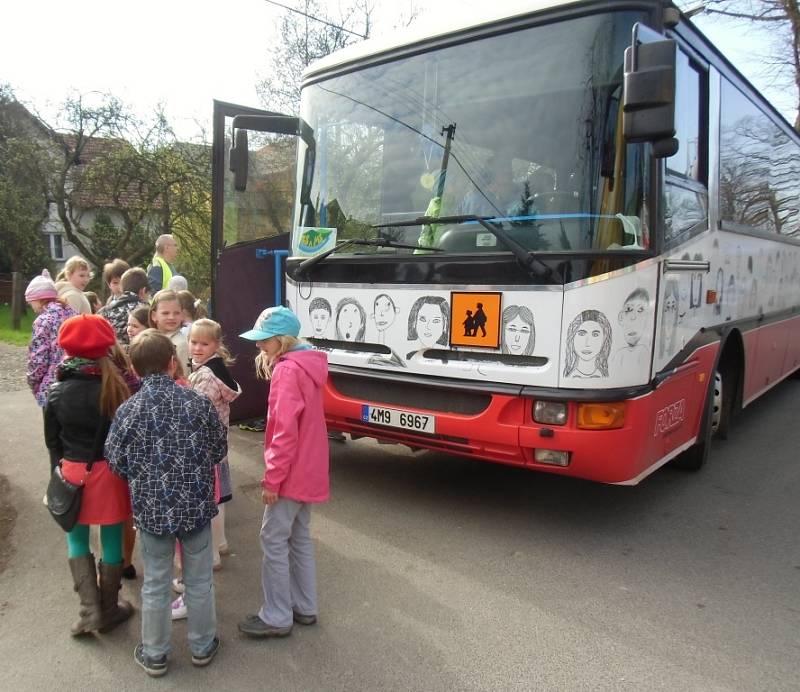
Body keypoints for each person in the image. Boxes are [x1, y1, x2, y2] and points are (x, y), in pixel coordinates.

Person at [105, 329, 227, 677]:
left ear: (134, 367)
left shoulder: (129, 410)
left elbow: (115, 460)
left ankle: (155, 653)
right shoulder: (197, 403)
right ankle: (203, 645)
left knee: (156, 581)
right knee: (199, 579)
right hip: (195, 508)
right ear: (173, 362)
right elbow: (218, 449)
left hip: (152, 510)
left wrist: (142, 475)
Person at [237, 306, 330, 638]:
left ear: (281, 340)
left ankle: (276, 615)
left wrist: (272, 478)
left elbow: (283, 432)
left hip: (290, 473)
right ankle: (305, 606)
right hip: (310, 469)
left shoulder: (287, 372)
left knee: (273, 539)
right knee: (299, 536)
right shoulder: (310, 366)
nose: (259, 347)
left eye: (264, 341)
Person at [44, 314, 134, 636]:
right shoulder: (117, 387)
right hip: (110, 474)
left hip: (72, 473)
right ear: (107, 347)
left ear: (66, 350)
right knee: (111, 538)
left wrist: (59, 476)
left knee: (76, 538)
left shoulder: (56, 392)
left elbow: (52, 443)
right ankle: (110, 608)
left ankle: (88, 612)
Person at [171, 318, 241, 620]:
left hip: (203, 448)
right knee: (219, 497)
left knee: (209, 502)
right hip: (219, 445)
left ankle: (210, 555)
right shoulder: (215, 371)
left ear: (216, 346)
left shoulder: (204, 377)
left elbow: (194, 412)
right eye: (194, 342)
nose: (197, 348)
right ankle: (221, 545)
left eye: (204, 344)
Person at [25, 269, 78, 444]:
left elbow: (38, 359)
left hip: (52, 387)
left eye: (31, 303)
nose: (31, 307)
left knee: (55, 441)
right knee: (74, 438)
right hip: (78, 382)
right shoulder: (73, 314)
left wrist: (34, 384)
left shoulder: (43, 320)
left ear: (39, 300)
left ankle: (57, 469)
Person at [98, 267, 151, 344]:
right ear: (143, 291)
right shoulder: (146, 311)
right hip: (137, 352)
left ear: (122, 289)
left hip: (107, 352)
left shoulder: (103, 311)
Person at [149, 289, 190, 371]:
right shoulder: (149, 339)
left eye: (176, 313)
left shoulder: (180, 345)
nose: (171, 317)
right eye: (165, 313)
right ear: (154, 316)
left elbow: (183, 378)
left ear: (182, 315)